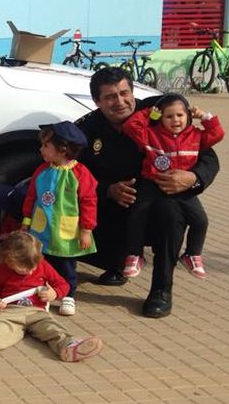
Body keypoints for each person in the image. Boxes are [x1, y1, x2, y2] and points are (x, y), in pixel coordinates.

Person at [76, 67, 220, 317]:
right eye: (110, 97)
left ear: (133, 92)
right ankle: (115, 264)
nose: (120, 102)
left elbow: (208, 156)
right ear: (97, 101)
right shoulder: (87, 129)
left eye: (124, 93)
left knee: (171, 214)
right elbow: (70, 171)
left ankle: (161, 289)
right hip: (113, 207)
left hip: (157, 200)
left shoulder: (159, 112)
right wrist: (106, 190)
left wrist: (193, 178)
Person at [0, 231, 103, 363]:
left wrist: (54, 294)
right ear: (10, 262)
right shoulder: (1, 271)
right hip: (9, 311)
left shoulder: (42, 265)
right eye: (24, 268)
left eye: (33, 267)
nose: (31, 272)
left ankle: (68, 346)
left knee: (51, 327)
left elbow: (63, 285)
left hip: (37, 311)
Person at [120, 94, 224, 279]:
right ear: (160, 118)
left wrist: (205, 116)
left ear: (188, 116)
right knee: (138, 215)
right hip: (152, 183)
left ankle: (192, 254)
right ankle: (135, 255)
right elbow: (131, 127)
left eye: (180, 115)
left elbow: (217, 134)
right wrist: (148, 114)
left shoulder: (196, 136)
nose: (175, 120)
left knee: (200, 220)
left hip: (181, 188)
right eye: (169, 116)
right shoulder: (151, 135)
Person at [21, 121, 97, 316]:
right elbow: (31, 196)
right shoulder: (42, 170)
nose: (41, 149)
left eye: (46, 145)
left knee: (66, 265)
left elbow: (89, 202)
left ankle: (68, 295)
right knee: (41, 262)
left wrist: (87, 229)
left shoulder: (80, 174)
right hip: (41, 228)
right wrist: (26, 221)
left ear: (63, 149)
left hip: (66, 231)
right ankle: (43, 294)